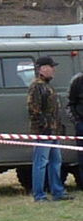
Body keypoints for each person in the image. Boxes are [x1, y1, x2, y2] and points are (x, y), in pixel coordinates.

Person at [27, 55, 69, 202]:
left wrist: (59, 127)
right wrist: (43, 127)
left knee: (56, 162)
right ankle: (39, 195)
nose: (53, 70)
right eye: (51, 67)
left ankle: (57, 191)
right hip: (43, 133)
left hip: (53, 131)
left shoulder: (48, 86)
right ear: (42, 69)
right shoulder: (36, 87)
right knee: (41, 163)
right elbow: (34, 110)